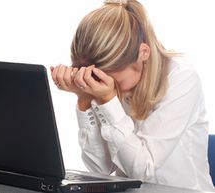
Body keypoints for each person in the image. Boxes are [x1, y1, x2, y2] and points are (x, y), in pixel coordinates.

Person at [50, 0, 215, 191]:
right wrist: (85, 99)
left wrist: (107, 100)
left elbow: (144, 171)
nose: (104, 84)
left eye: (111, 78)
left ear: (143, 53)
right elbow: (100, 168)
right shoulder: (104, 81)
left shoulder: (181, 78)